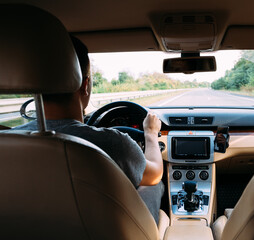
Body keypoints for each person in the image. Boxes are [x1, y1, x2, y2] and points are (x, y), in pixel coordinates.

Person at [14, 35, 164, 224]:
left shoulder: (7, 139)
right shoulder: (111, 143)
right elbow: (155, 173)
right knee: (153, 186)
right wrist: (150, 133)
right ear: (85, 85)